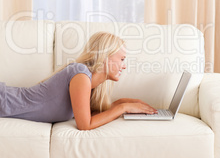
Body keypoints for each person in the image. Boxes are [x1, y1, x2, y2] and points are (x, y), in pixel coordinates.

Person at [0, 31, 157, 130]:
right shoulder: (80, 75)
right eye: (122, 59)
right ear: (106, 56)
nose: (124, 66)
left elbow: (92, 114)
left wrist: (126, 103)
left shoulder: (89, 83)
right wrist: (122, 108)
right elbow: (85, 124)